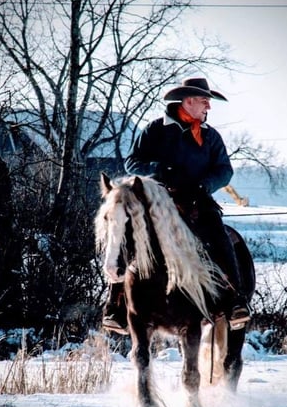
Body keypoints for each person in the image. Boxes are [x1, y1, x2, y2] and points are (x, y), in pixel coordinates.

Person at [102, 77, 251, 335]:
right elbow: (132, 163)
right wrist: (157, 170)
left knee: (219, 234)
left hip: (198, 202)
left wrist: (204, 185)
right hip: (158, 201)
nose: (209, 107)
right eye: (205, 101)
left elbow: (225, 171)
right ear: (188, 100)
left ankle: (235, 299)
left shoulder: (211, 136)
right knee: (129, 236)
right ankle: (115, 306)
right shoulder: (154, 130)